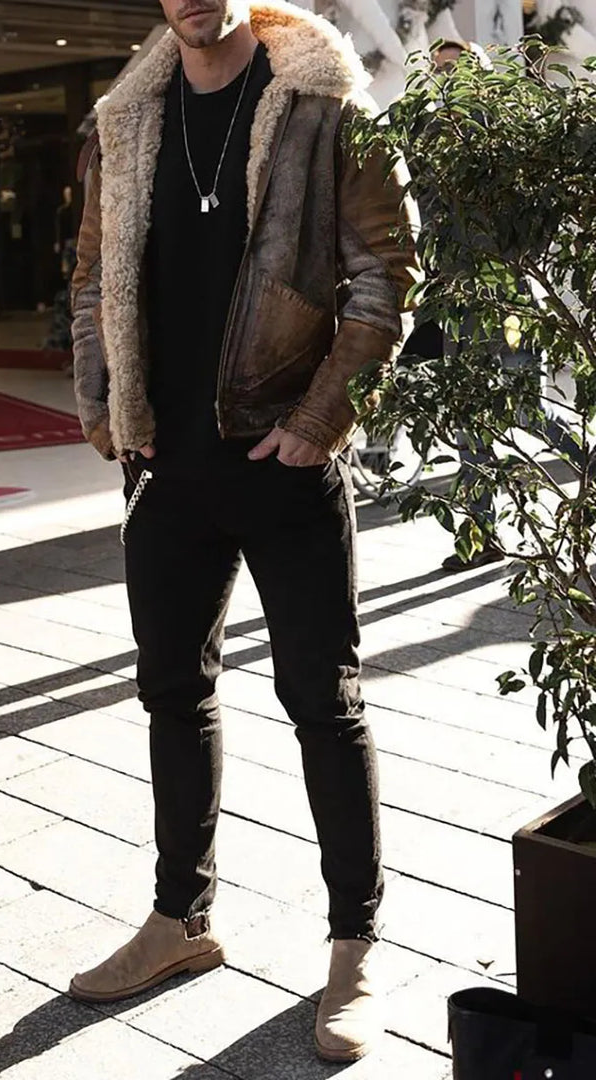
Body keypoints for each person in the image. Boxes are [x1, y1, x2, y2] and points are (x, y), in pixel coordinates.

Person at [69, 0, 417, 1063]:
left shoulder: (323, 105)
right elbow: (91, 280)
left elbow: (388, 274)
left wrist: (319, 422)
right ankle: (181, 920)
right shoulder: (126, 121)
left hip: (281, 457)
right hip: (164, 467)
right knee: (171, 694)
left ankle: (355, 945)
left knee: (325, 702)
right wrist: (105, 407)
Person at [423, 43, 589, 574]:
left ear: (481, 73)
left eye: (457, 67)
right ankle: (482, 533)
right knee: (468, 415)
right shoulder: (429, 136)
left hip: (510, 300)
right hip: (458, 303)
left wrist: (515, 263)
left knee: (525, 409)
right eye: (439, 70)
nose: (447, 77)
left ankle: (588, 470)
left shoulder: (506, 135)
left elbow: (538, 212)